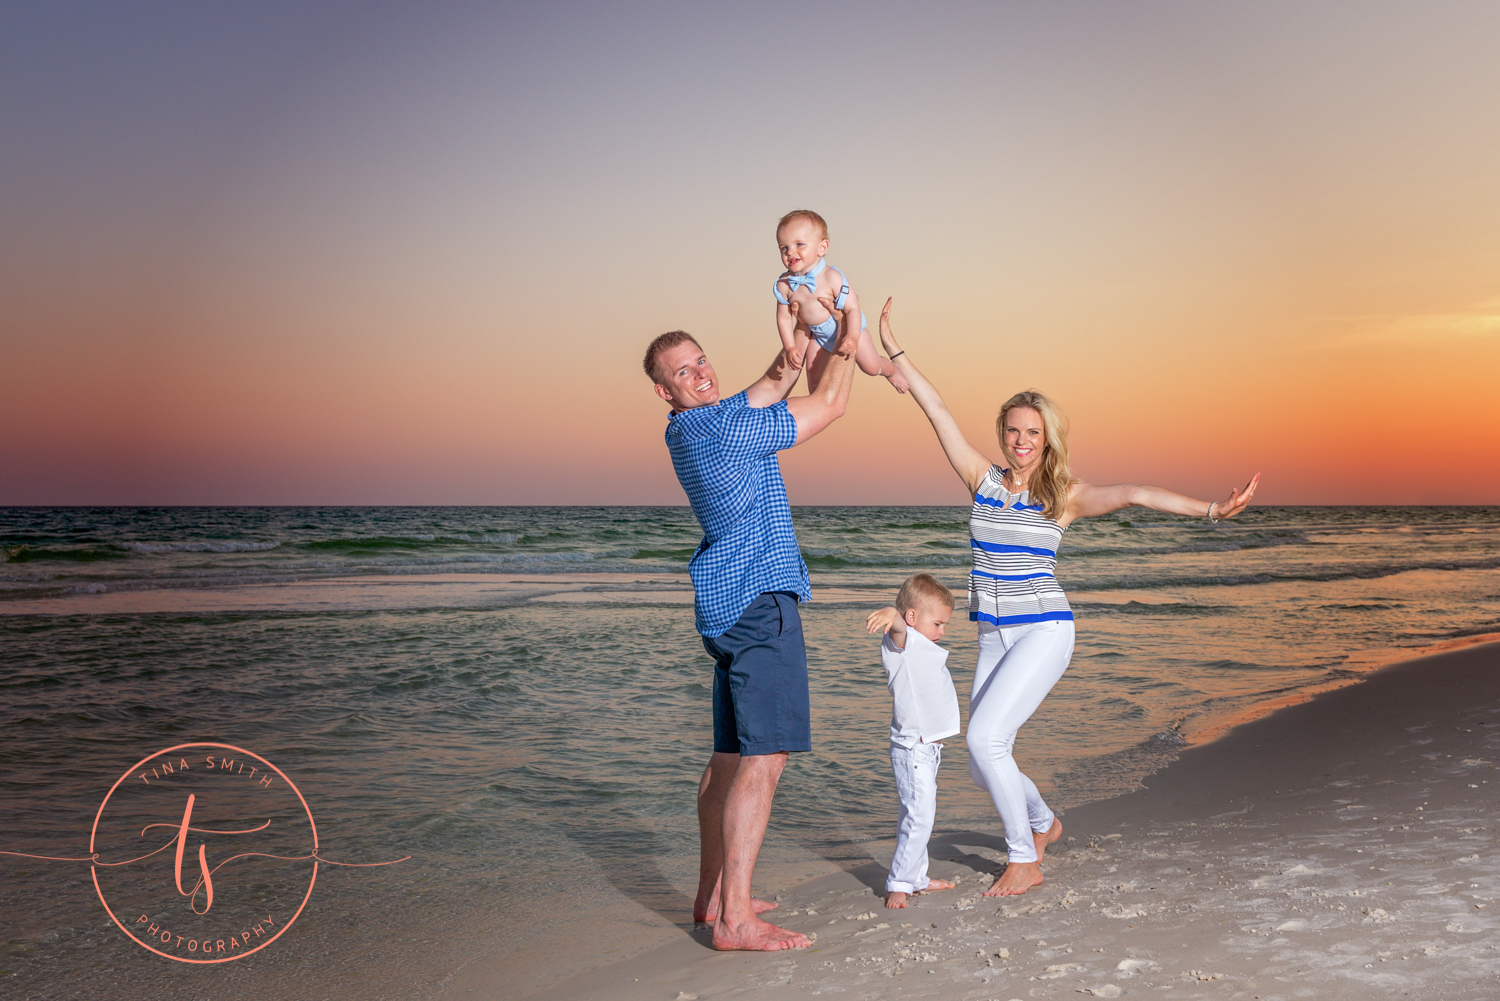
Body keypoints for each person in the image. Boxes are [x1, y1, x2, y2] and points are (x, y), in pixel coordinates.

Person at [875, 298, 1260, 897]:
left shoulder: (1065, 495)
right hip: (993, 633)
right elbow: (936, 409)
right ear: (1001, 435)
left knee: (985, 740)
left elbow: (1135, 492)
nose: (1022, 440)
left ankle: (1023, 858)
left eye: (1033, 432)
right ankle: (1043, 822)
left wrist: (1212, 510)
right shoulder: (980, 479)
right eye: (1013, 430)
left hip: (1044, 629)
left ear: (1047, 437)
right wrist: (896, 351)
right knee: (982, 761)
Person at [643, 295, 860, 951]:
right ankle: (737, 918)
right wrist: (845, 337)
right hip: (760, 604)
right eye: (685, 372)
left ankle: (712, 897)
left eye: (702, 361)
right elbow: (830, 405)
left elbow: (771, 382)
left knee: (728, 758)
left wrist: (794, 340)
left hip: (724, 608)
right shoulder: (719, 431)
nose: (702, 374)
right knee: (763, 762)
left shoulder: (700, 423)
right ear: (664, 390)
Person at [865, 573, 962, 909]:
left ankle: (916, 877)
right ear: (912, 617)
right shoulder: (903, 646)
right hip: (912, 749)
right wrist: (891, 615)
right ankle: (900, 883)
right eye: (938, 623)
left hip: (928, 749)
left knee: (922, 814)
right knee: (918, 816)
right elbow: (897, 628)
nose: (942, 631)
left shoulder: (922, 645)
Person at [773, 209, 909, 394]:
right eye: (784, 248)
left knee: (870, 366)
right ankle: (817, 407)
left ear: (822, 247)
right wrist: (789, 346)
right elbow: (783, 318)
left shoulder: (832, 277)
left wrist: (852, 336)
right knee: (813, 378)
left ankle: (891, 370)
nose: (790, 252)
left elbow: (853, 308)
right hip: (818, 335)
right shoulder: (784, 284)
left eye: (799, 244)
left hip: (848, 328)